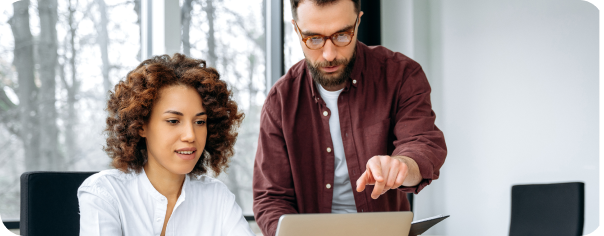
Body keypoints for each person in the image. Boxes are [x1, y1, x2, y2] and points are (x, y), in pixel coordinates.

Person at [253, 0, 448, 235]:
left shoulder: (401, 75)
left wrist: (401, 166)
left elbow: (422, 144)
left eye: (342, 35)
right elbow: (270, 198)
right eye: (314, 38)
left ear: (358, 21)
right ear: (296, 29)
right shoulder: (280, 101)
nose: (329, 54)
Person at [78, 53, 254, 236]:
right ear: (141, 126)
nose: (190, 135)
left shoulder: (217, 197)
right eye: (173, 121)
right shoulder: (106, 192)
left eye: (200, 122)